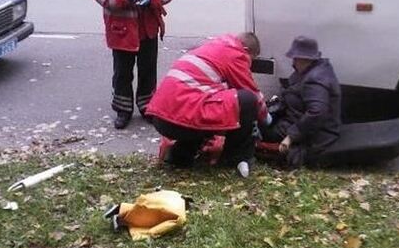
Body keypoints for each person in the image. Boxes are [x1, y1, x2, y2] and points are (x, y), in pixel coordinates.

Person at [145, 32, 268, 178]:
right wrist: (267, 118)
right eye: (251, 60)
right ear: (247, 50)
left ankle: (181, 155)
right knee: (246, 100)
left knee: (209, 104)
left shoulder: (215, 47)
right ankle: (235, 159)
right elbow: (251, 91)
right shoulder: (236, 54)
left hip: (161, 116)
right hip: (181, 117)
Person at [93, 0, 177, 129]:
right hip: (122, 31)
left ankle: (148, 107)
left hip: (148, 27)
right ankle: (123, 110)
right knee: (122, 72)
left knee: (148, 70)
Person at [261, 36, 341, 168]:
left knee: (263, 132)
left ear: (303, 59)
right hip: (298, 120)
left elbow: (317, 112)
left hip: (316, 134)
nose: (293, 62)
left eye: (295, 58)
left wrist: (291, 136)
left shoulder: (315, 80)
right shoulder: (314, 70)